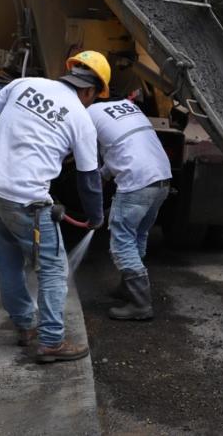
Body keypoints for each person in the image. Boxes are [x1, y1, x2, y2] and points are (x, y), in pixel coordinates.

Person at [0, 50, 111, 363]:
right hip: (26, 200)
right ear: (89, 90)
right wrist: (95, 218)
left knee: (7, 261)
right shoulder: (80, 118)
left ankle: (25, 326)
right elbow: (88, 179)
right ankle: (50, 341)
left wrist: (1, 154)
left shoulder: (24, 84)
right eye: (94, 97)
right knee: (53, 269)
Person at [87, 94, 172, 320]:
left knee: (122, 241)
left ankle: (140, 304)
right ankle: (128, 288)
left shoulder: (86, 114)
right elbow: (122, 149)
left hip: (137, 183)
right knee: (138, 235)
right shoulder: (127, 108)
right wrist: (103, 175)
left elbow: (86, 155)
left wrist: (92, 179)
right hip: (162, 179)